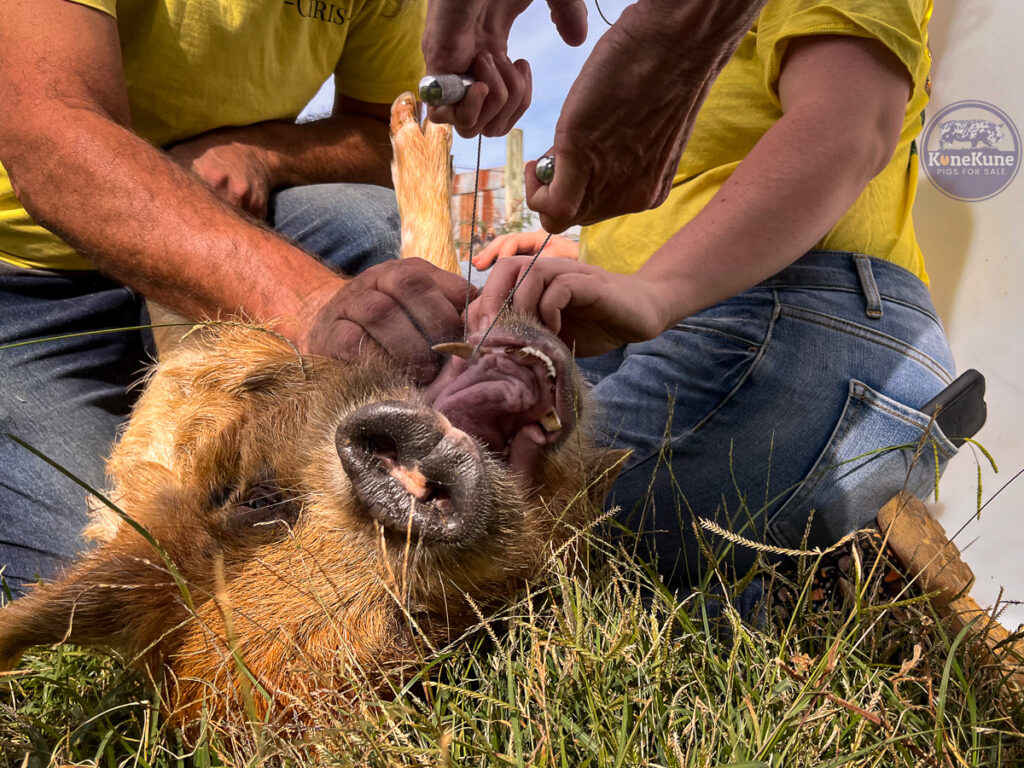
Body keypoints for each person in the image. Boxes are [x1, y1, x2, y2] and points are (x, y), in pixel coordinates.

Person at [468, 0, 957, 592]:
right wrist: (584, 261)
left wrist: (656, 290)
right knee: (490, 484)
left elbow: (850, 122)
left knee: (503, 523)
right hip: (709, 316)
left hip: (810, 305)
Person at [0, 0, 472, 594]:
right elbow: (47, 129)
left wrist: (261, 154)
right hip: (30, 277)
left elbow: (380, 132)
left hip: (234, 217)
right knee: (110, 581)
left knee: (373, 231)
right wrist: (310, 305)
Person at [423, 0, 770, 233]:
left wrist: (663, 293)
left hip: (741, 295)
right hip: (611, 290)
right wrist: (559, 255)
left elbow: (820, 140)